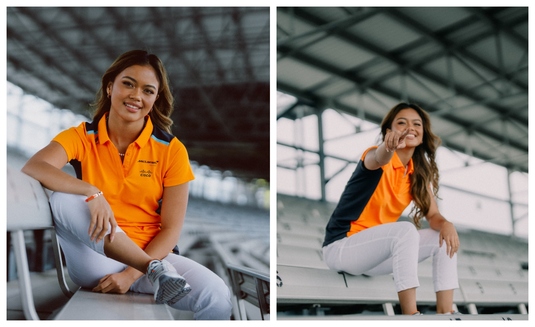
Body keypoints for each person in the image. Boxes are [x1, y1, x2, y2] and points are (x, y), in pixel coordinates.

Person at [21, 50, 232, 320]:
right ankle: (155, 270)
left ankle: (154, 270)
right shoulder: (82, 136)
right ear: (110, 87)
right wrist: (91, 191)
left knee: (217, 296)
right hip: (95, 257)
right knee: (64, 198)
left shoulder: (172, 150)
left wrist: (131, 275)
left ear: (155, 99)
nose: (136, 96)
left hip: (150, 258)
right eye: (128, 83)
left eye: (147, 90)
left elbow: (171, 230)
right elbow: (35, 166)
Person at [322, 103, 460, 315]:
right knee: (405, 230)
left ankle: (446, 313)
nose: (410, 128)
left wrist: (447, 224)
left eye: (416, 124)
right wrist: (388, 147)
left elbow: (433, 215)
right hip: (342, 247)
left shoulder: (416, 175)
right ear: (389, 132)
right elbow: (379, 157)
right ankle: (411, 315)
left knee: (442, 237)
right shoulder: (375, 157)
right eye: (401, 123)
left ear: (422, 135)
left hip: (374, 256)